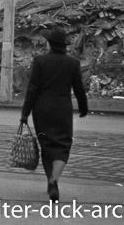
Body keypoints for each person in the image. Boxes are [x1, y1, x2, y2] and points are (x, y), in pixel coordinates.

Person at [20, 27, 88, 203]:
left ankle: (50, 179)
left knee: (46, 145)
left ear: (50, 43)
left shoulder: (40, 61)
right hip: (62, 108)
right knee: (63, 144)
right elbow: (79, 87)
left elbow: (32, 88)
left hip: (41, 109)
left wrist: (25, 113)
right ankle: (54, 180)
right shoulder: (72, 63)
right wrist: (83, 107)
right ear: (64, 45)